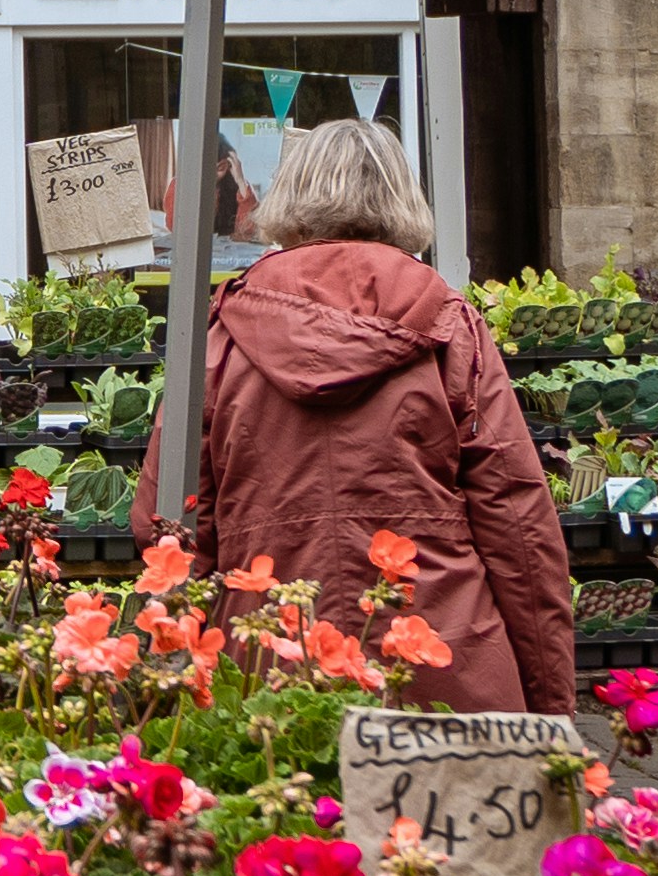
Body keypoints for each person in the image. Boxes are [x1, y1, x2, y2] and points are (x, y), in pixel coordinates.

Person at [174, 114, 575, 711]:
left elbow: (172, 518)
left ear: (291, 194)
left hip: (271, 658)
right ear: (400, 197)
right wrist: (549, 701)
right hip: (437, 654)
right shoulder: (448, 321)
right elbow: (517, 522)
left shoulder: (221, 332)